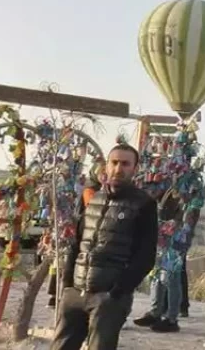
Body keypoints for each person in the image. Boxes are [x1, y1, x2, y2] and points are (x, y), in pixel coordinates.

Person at [50, 144, 158, 350]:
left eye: (125, 164)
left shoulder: (144, 204)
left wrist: (117, 292)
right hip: (75, 292)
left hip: (108, 297)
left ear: (134, 169)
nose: (119, 169)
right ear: (106, 166)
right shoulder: (91, 198)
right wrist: (67, 285)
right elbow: (76, 243)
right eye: (114, 162)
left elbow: (146, 256)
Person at [135, 187, 184, 333]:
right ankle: (155, 313)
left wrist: (173, 224)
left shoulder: (178, 192)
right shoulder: (157, 197)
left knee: (171, 278)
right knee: (156, 276)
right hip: (160, 241)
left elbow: (184, 216)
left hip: (174, 241)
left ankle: (172, 319)